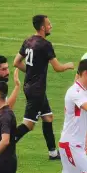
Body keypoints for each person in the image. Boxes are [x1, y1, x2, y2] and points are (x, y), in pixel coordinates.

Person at [13, 15, 74, 159]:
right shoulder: (45, 45)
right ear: (42, 27)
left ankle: (53, 153)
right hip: (37, 90)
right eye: (48, 24)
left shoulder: (28, 41)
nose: (50, 26)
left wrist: (30, 71)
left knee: (48, 117)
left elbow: (16, 62)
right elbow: (58, 68)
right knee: (28, 124)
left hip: (30, 86)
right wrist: (68, 66)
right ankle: (5, 144)